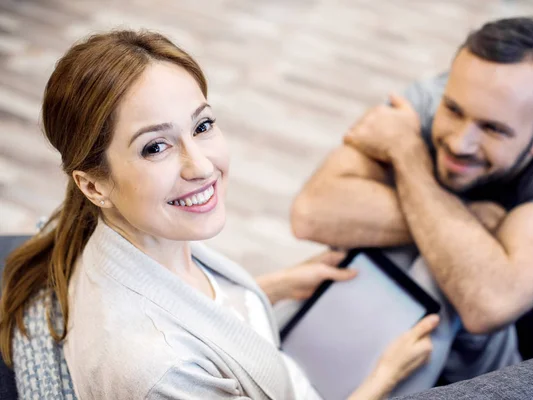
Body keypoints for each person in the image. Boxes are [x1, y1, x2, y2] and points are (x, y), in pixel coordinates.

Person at [0, 31, 440, 399]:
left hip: (279, 359)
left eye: (202, 126)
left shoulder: (134, 236)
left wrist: (267, 289)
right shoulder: (162, 371)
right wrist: (379, 380)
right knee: (445, 311)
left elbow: (183, 311)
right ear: (93, 185)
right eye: (156, 147)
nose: (203, 166)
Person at [291, 15, 533, 365]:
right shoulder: (428, 99)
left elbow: (491, 302)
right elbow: (311, 213)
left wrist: (408, 156)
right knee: (394, 261)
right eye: (453, 109)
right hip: (449, 333)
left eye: (493, 129)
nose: (459, 142)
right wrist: (475, 219)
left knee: (440, 271)